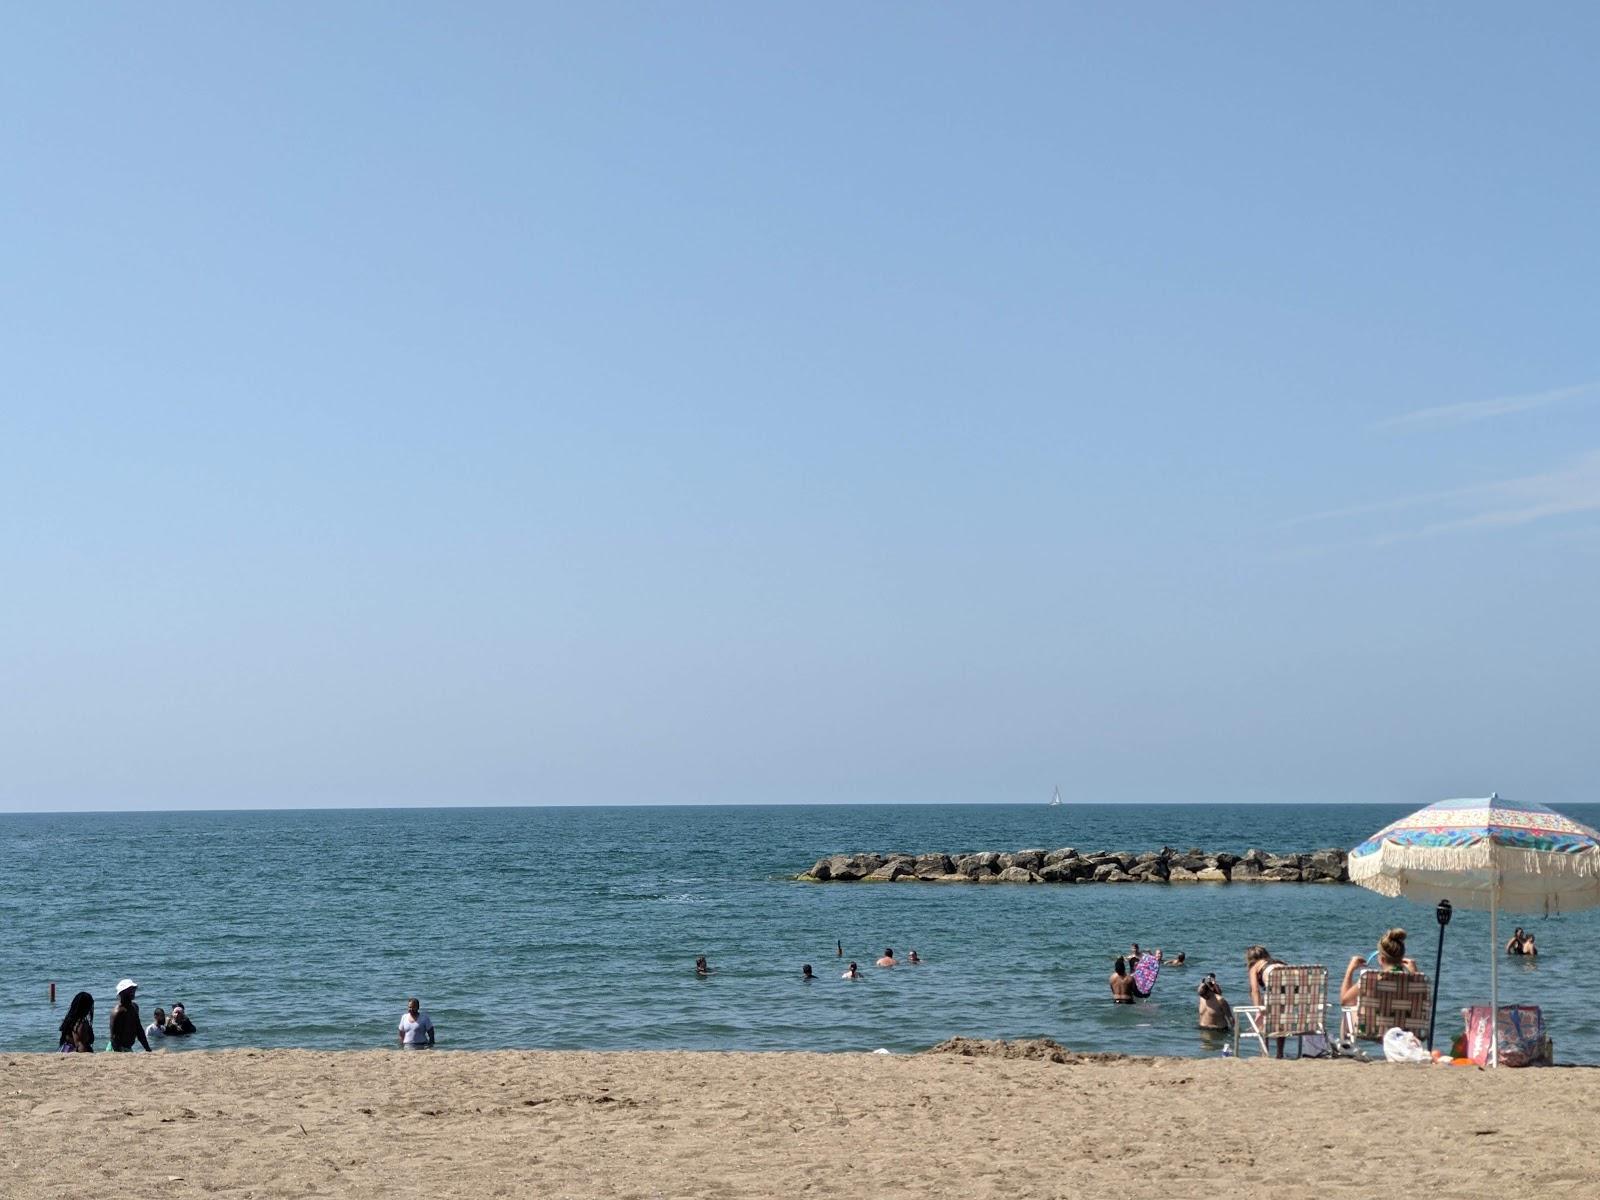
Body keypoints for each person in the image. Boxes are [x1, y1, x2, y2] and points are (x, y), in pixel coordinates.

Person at [1339, 928, 1419, 1006]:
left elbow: (1345, 1001)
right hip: (1403, 1019)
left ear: (1382, 959)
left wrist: (1350, 970)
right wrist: (1415, 974)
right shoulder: (1413, 983)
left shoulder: (1369, 979)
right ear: (1402, 957)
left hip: (1373, 1019)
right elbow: (1423, 1003)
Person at [1244, 946, 1287, 1058]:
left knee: (1264, 1015)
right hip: (1290, 995)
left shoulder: (1254, 967)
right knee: (1281, 1019)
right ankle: (1280, 1053)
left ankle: (1264, 1052)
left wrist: (1258, 1010)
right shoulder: (1279, 962)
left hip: (1273, 995)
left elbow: (1255, 990)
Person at [109, 979, 152, 1052]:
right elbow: (114, 1037)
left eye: (133, 989)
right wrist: (119, 1053)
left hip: (127, 1048)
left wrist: (148, 1049)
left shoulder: (134, 1008)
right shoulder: (117, 1012)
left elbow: (139, 1030)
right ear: (122, 993)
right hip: (116, 1048)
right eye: (129, 990)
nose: (133, 991)